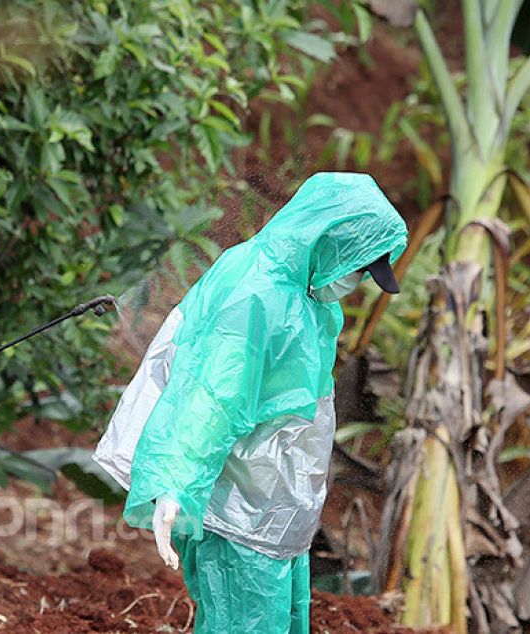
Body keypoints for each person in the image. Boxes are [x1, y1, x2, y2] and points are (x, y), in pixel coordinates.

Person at [94, 172, 408, 633]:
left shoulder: (313, 298)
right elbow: (210, 394)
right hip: (241, 509)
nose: (358, 282)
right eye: (359, 269)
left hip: (277, 509)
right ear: (328, 242)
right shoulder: (256, 295)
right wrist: (175, 483)